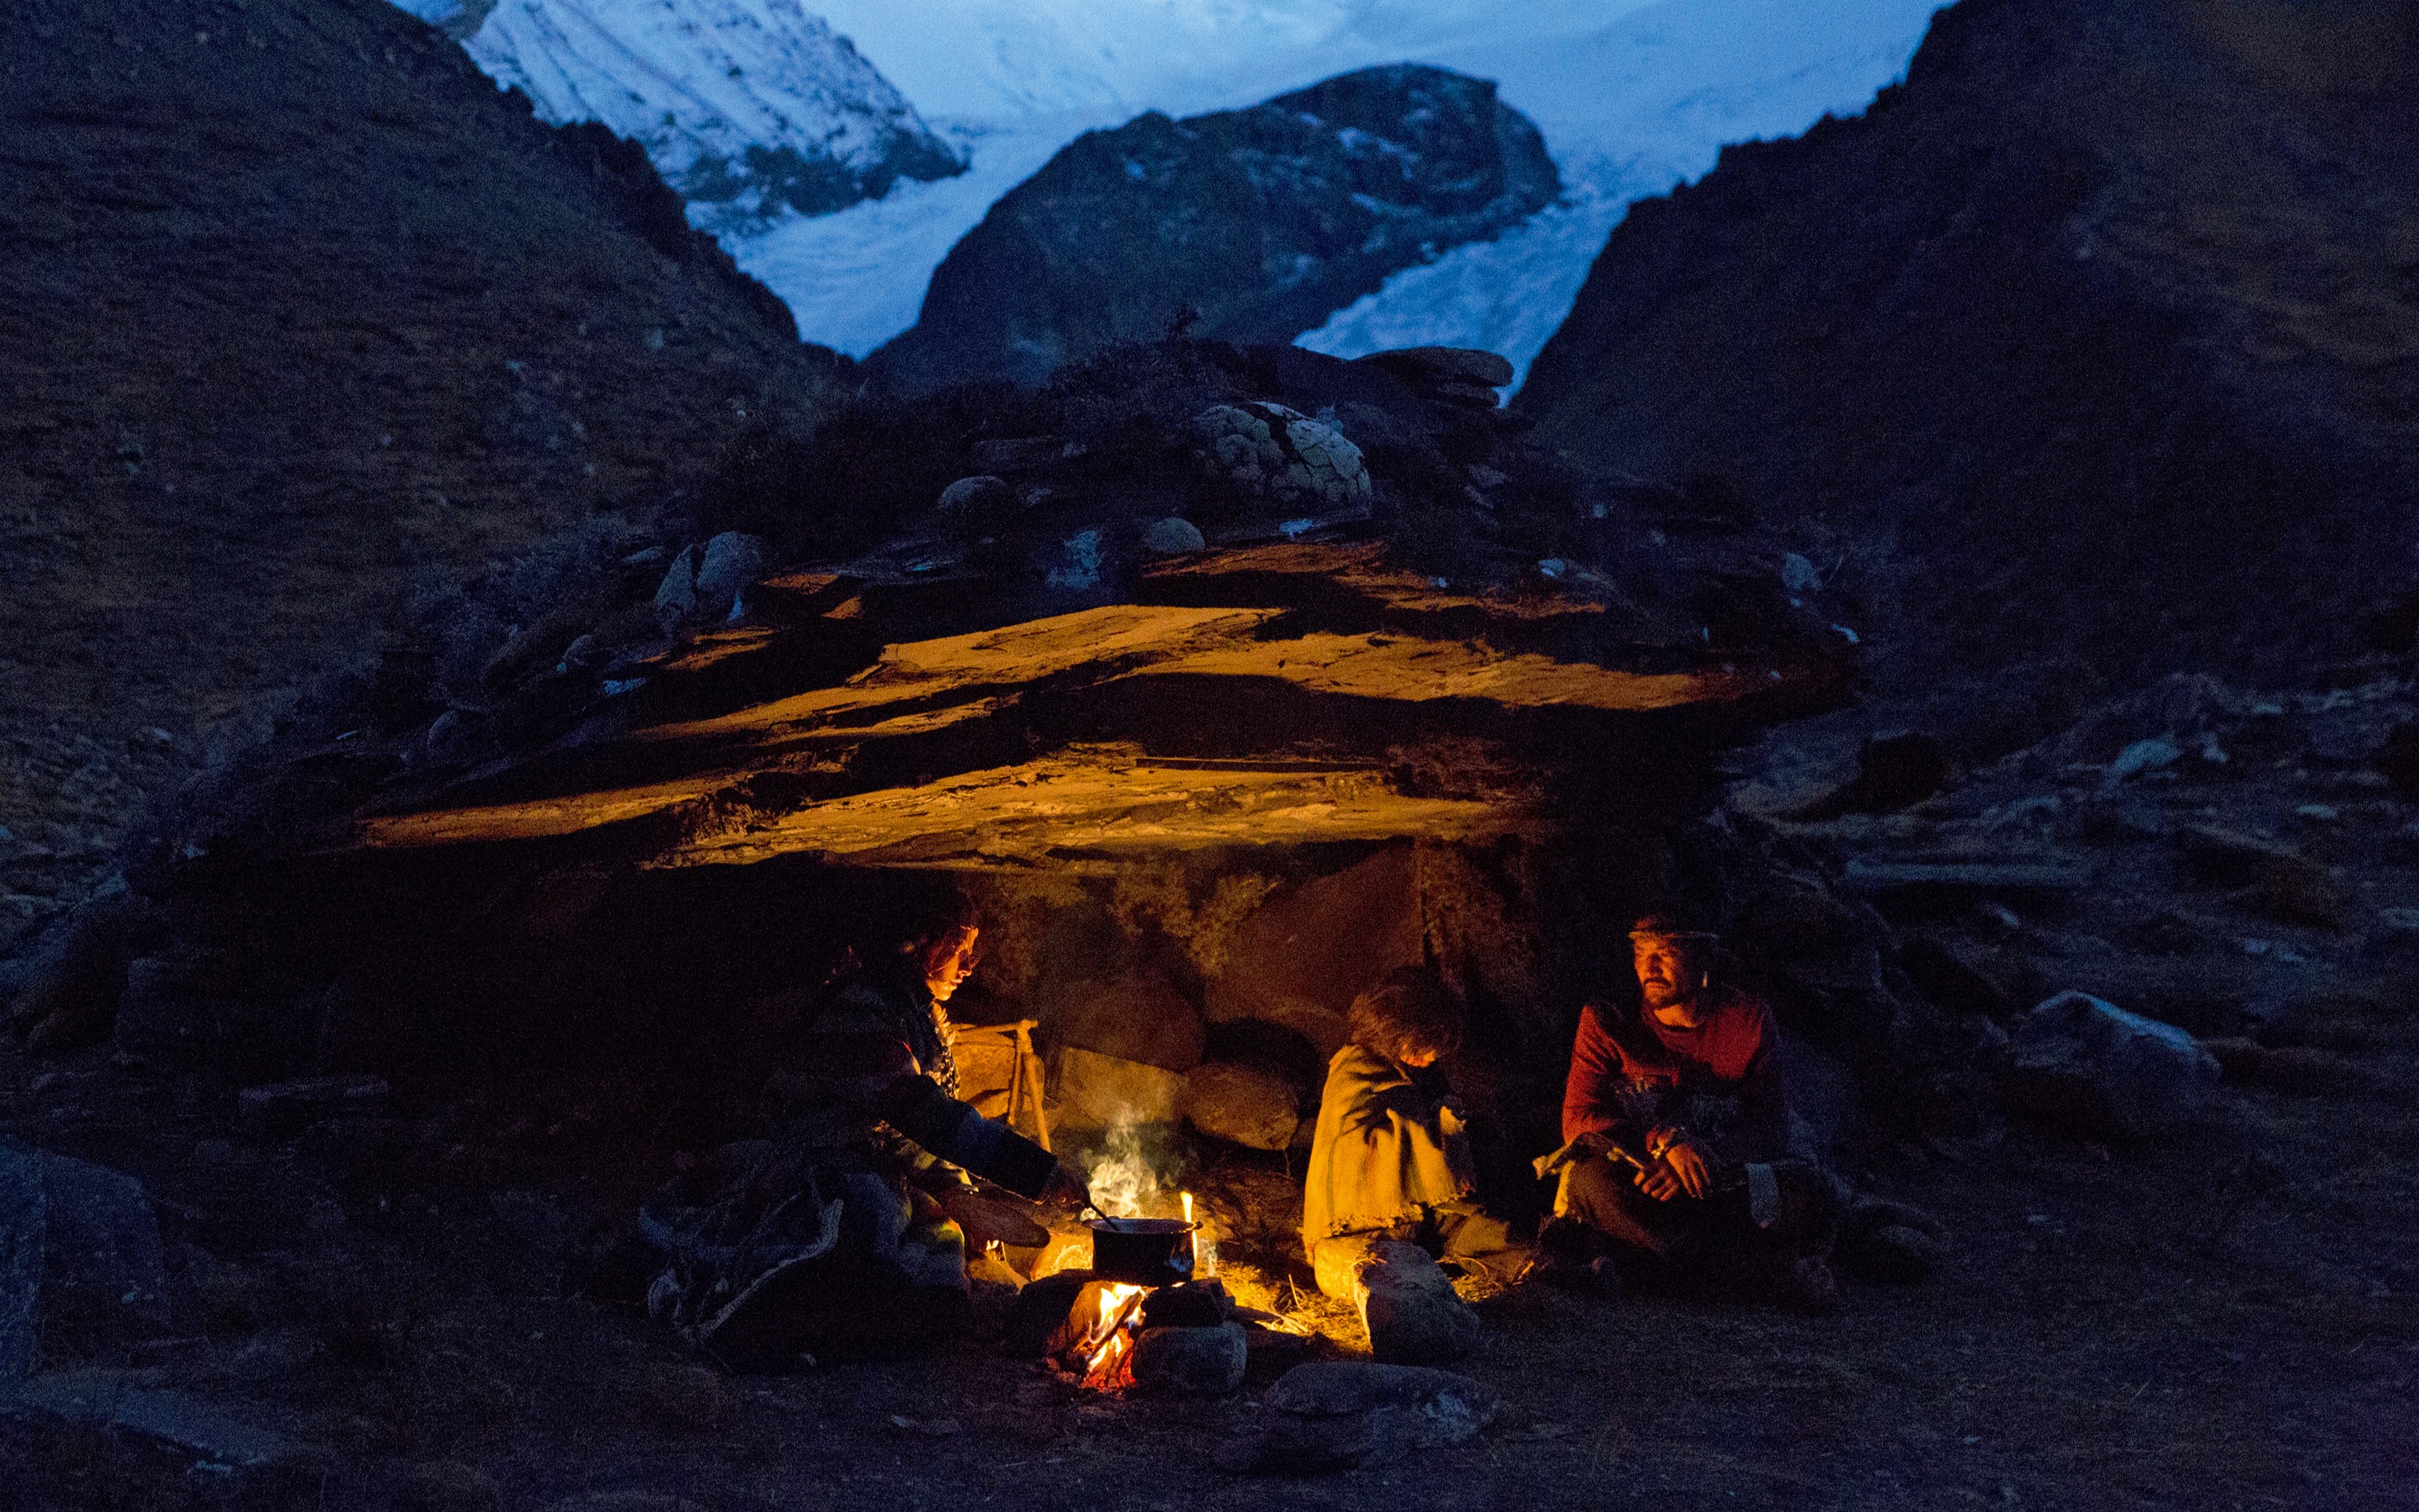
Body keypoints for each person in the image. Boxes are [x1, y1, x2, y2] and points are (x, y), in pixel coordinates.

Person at [640, 886, 1081, 1368]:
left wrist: (959, 1193)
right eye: (958, 951)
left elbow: (922, 1131)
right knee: (870, 1218)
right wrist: (1040, 1172)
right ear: (919, 946)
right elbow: (921, 1114)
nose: (969, 966)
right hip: (824, 1165)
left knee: (936, 1243)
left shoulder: (921, 1015)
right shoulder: (864, 1011)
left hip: (879, 1167)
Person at [1538, 915, 1838, 1309]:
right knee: (1590, 1183)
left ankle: (1643, 1268)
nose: (1650, 967)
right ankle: (1765, 1278)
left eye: (1667, 952)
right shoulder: (1606, 1020)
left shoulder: (1748, 1021)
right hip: (1641, 1176)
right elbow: (1579, 1119)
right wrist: (1665, 1144)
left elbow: (1769, 1125)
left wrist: (1709, 1160)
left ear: (1704, 959)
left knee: (1810, 1192)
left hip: (1718, 1179)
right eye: (1641, 953)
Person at [1300, 971, 1530, 1297]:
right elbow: (1353, 1151)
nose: (1431, 1058)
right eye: (1423, 1046)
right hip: (1362, 1224)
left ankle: (1544, 1266)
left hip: (1418, 1212)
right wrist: (1440, 1126)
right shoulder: (1353, 1073)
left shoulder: (1411, 1072)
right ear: (1395, 1030)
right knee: (1412, 1251)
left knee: (1480, 1228)